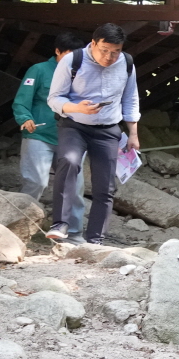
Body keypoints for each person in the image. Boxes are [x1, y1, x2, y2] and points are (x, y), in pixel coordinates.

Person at [46, 23, 140, 244]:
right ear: (94, 42)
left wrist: (133, 133)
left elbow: (130, 98)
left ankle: (96, 239)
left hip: (108, 129)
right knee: (68, 162)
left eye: (115, 51)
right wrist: (78, 107)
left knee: (105, 186)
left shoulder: (126, 63)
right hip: (75, 125)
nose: (109, 56)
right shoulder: (72, 60)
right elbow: (54, 99)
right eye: (104, 50)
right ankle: (60, 224)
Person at [14, 31, 86, 234]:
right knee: (35, 182)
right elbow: (21, 100)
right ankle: (21, 227)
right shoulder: (38, 70)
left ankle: (73, 233)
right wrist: (25, 118)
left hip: (72, 137)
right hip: (39, 134)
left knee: (75, 187)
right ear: (57, 51)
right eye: (68, 55)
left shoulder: (83, 74)